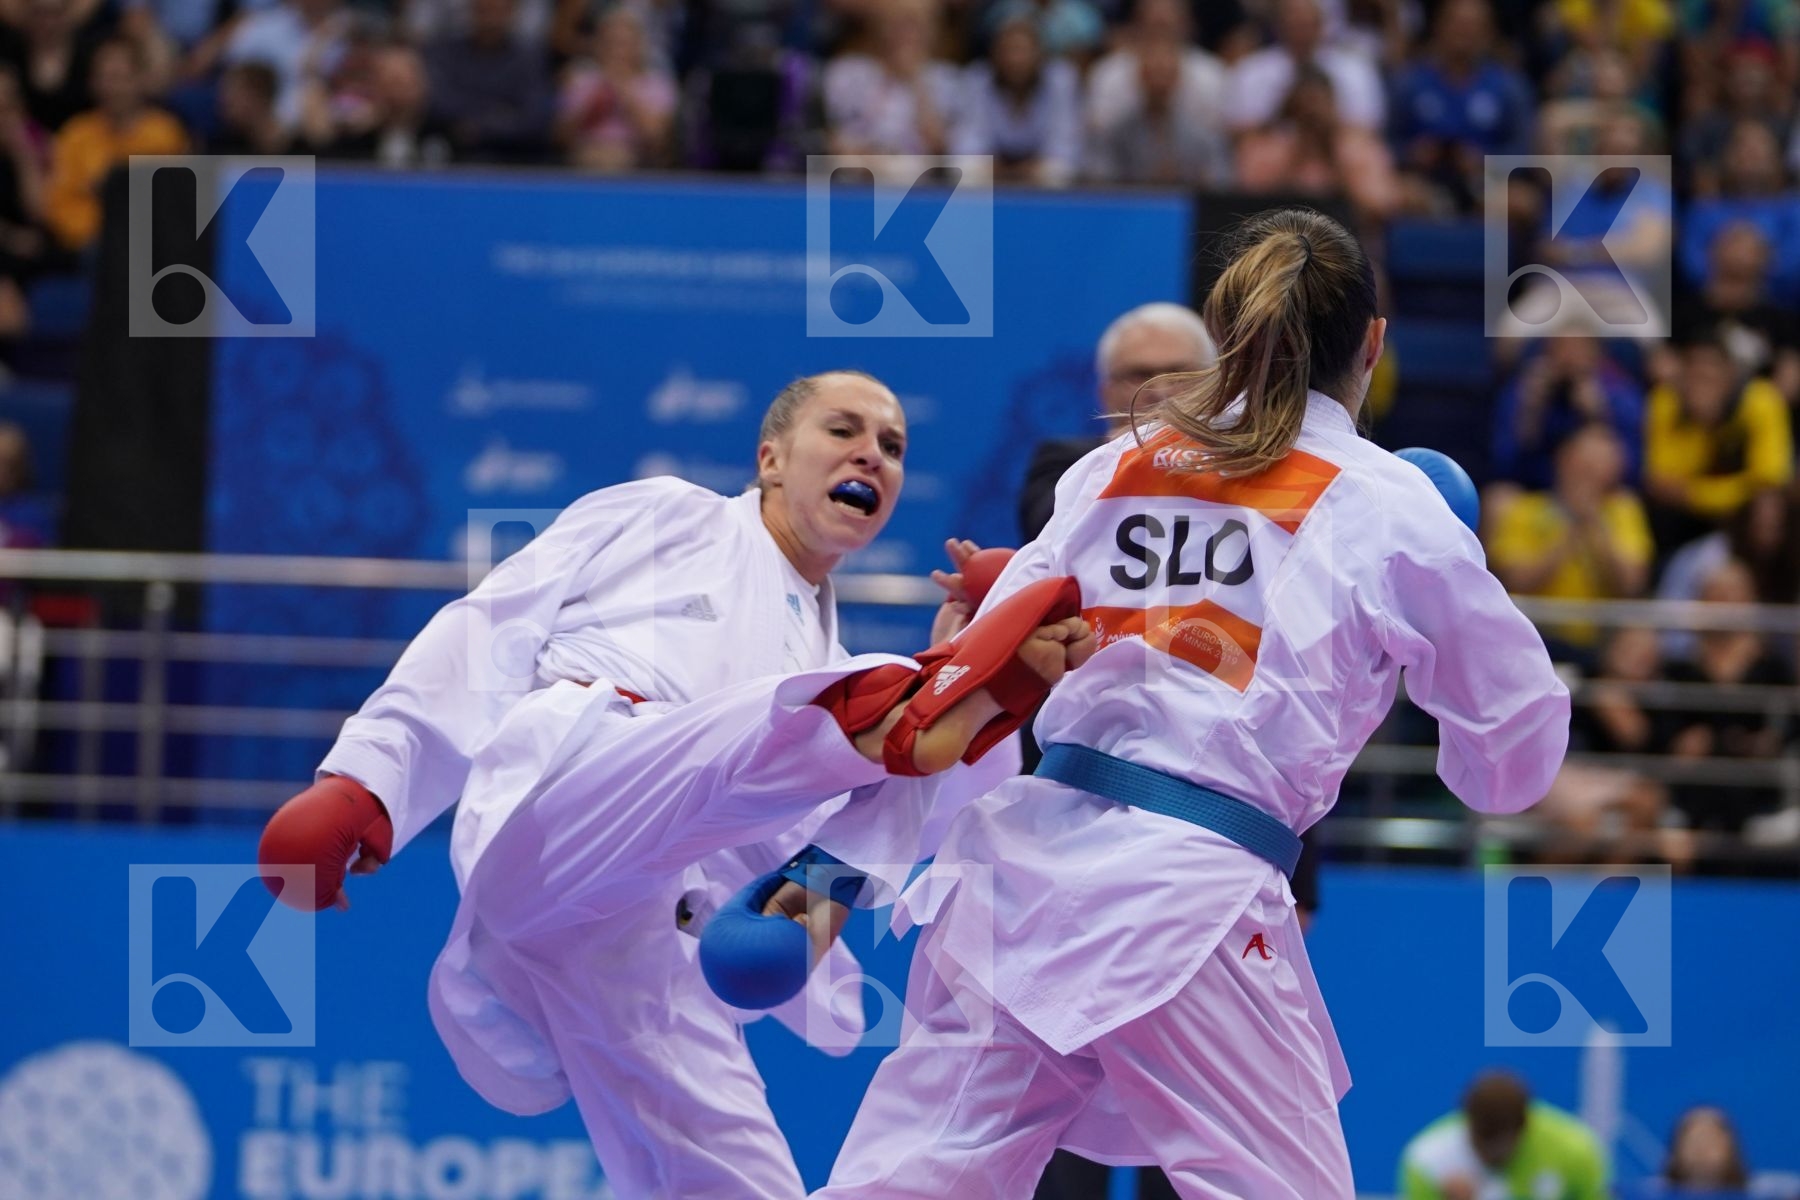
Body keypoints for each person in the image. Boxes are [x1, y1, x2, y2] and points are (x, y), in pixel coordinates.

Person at [805, 209, 1569, 1199]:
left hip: (1020, 864)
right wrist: (1441, 725)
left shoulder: (1110, 465)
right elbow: (1517, 745)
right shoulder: (1386, 501)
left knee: (905, 1182)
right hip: (1187, 895)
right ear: (1372, 346)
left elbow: (996, 649)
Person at [260, 370, 1068, 1200]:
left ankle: (930, 709)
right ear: (771, 459)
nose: (873, 453)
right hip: (567, 799)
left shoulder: (821, 657)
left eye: (893, 447)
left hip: (654, 926)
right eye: (844, 430)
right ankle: (922, 702)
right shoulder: (667, 516)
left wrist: (966, 699)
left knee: (739, 1178)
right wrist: (367, 779)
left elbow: (901, 830)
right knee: (787, 728)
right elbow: (491, 625)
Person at [43, 37, 186, 251]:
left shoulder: (165, 133)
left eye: (120, 78)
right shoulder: (75, 134)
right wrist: (99, 233)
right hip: (92, 246)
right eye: (104, 78)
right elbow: (60, 203)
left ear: (140, 79)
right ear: (92, 83)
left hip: (153, 245)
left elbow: (176, 202)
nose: (112, 88)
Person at [1398, 1071, 1608, 1200]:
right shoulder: (1427, 1162)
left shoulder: (1575, 1151)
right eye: (1479, 1143)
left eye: (1498, 1147)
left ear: (1524, 1130)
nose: (1488, 1155)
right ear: (1467, 1124)